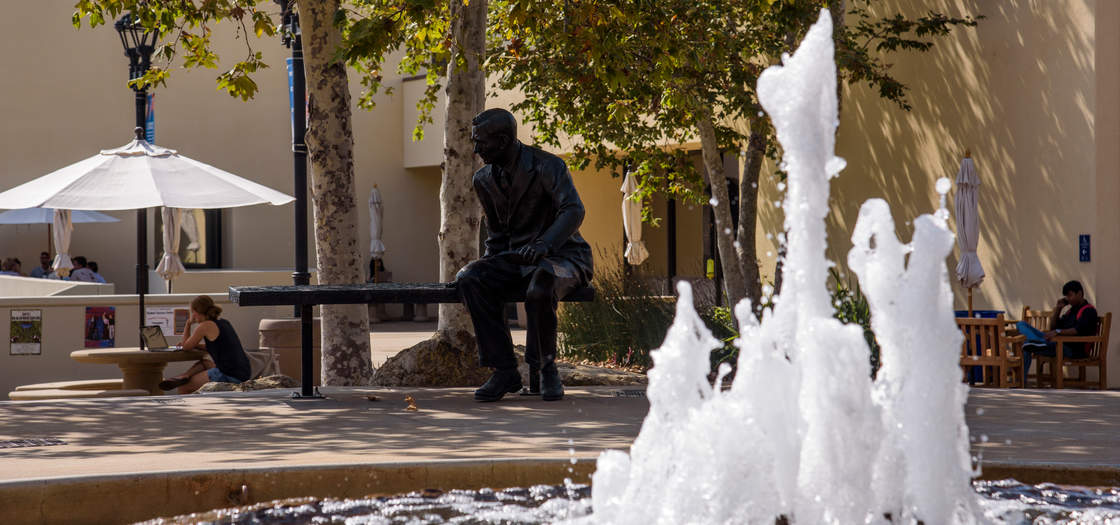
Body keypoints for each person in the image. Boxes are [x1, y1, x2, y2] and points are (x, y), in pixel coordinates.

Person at [453, 108, 593, 402]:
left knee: (540, 287)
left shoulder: (548, 166)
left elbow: (574, 210)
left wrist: (545, 244)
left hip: (562, 257)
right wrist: (490, 265)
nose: (476, 148)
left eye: (482, 142)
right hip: (517, 259)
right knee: (470, 278)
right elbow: (497, 234)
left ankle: (547, 368)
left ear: (503, 141)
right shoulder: (483, 179)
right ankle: (504, 370)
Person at [158, 295, 252, 394]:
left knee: (184, 387)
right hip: (243, 373)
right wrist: (197, 345)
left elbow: (186, 347)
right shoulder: (224, 322)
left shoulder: (204, 326)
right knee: (204, 363)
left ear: (195, 312)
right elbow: (218, 347)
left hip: (229, 375)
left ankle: (185, 384)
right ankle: (185, 375)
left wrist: (188, 324)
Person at [1016, 280, 1099, 379]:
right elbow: (1053, 327)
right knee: (1021, 324)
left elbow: (1077, 330)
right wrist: (1058, 309)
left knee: (1027, 345)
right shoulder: (1071, 310)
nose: (1068, 299)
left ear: (1079, 293)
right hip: (1055, 343)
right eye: (1066, 296)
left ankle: (1037, 344)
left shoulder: (1088, 311)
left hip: (1072, 349)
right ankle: (1038, 343)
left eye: (1070, 295)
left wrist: (1058, 332)